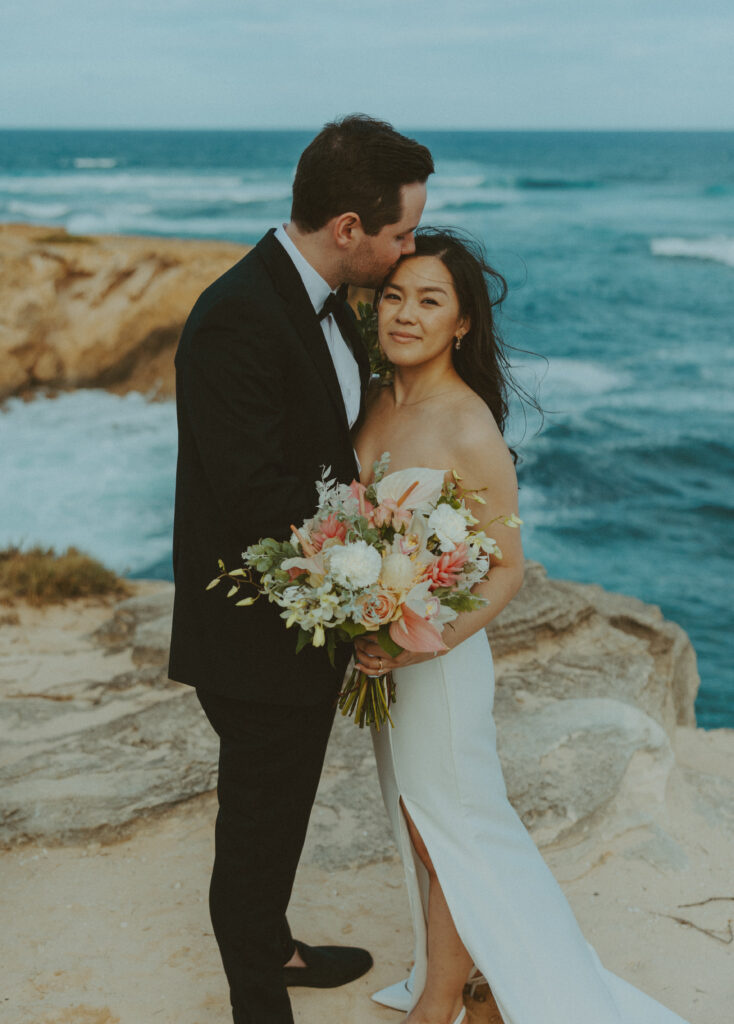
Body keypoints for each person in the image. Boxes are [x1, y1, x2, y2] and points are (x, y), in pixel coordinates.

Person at [353, 228, 693, 1024]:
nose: (405, 313)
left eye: (429, 300)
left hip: (436, 660)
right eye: (395, 296)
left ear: (462, 323)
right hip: (381, 655)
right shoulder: (374, 399)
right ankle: (480, 984)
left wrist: (409, 641)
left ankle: (446, 997)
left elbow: (504, 570)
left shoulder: (467, 425)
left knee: (455, 825)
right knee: (419, 817)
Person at [168, 114, 434, 1024]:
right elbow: (254, 495)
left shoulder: (323, 297)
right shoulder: (239, 315)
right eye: (400, 230)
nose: (409, 247)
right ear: (350, 229)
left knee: (281, 810)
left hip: (302, 614)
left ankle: (276, 945)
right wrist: (378, 547)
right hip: (252, 629)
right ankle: (257, 1001)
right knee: (256, 825)